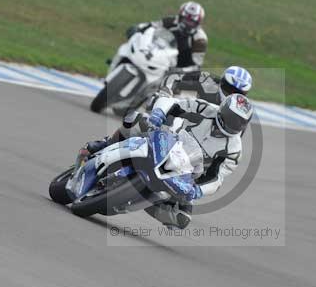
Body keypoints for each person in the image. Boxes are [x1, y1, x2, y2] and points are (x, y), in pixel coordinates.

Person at [79, 93, 254, 228]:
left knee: (181, 219)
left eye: (240, 122)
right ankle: (105, 144)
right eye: (232, 118)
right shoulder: (206, 108)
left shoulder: (234, 150)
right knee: (138, 119)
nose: (234, 125)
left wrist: (198, 191)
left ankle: (137, 200)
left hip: (184, 174)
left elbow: (217, 179)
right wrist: (159, 113)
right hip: (167, 142)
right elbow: (172, 102)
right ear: (222, 111)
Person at [126, 1, 207, 72]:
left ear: (198, 23)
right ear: (179, 17)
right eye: (185, 19)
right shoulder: (170, 21)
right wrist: (137, 28)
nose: (187, 24)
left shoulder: (200, 40)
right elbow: (151, 26)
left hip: (178, 67)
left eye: (191, 22)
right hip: (158, 54)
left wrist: (179, 71)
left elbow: (196, 66)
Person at [157, 65, 252, 105]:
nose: (231, 95)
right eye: (229, 88)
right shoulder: (207, 80)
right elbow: (175, 78)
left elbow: (235, 139)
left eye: (237, 93)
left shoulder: (241, 111)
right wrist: (165, 94)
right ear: (221, 82)